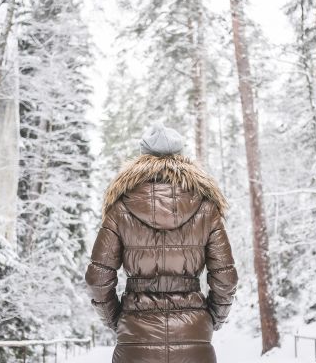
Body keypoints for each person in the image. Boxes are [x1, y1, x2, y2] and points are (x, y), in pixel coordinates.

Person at [85, 122, 239, 363]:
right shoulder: (207, 208)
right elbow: (225, 277)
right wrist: (211, 319)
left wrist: (116, 320)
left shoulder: (120, 207)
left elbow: (97, 278)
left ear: (143, 157)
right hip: (194, 336)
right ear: (180, 156)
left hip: (135, 338)